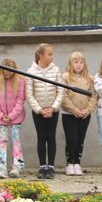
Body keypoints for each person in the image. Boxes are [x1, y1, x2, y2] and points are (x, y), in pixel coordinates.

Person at [27, 43, 64, 179]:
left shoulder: (56, 70)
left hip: (52, 110)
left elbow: (60, 90)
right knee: (41, 137)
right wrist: (39, 109)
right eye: (49, 54)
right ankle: (42, 166)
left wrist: (53, 107)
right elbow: (29, 94)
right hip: (39, 112)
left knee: (51, 137)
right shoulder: (31, 72)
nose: (52, 57)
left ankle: (51, 167)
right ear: (40, 56)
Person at [60, 51, 98, 175]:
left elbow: (94, 97)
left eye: (81, 62)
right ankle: (69, 163)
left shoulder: (89, 79)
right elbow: (63, 96)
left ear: (84, 64)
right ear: (70, 64)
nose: (78, 64)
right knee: (71, 139)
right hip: (69, 114)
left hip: (84, 114)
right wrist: (74, 110)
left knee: (80, 139)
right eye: (75, 62)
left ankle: (77, 163)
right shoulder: (65, 77)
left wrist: (87, 110)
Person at [0, 59, 27, 178]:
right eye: (6, 73)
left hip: (16, 117)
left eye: (10, 73)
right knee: (3, 141)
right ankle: (1, 168)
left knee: (16, 141)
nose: (8, 75)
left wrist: (12, 115)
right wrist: (0, 115)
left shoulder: (20, 80)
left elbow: (20, 100)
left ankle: (17, 167)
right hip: (0, 117)